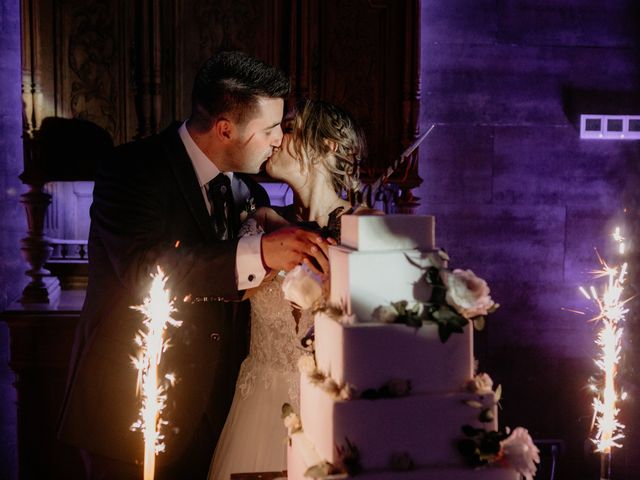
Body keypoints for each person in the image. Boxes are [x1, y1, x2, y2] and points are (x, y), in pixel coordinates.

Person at [57, 52, 332, 480]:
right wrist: (260, 254)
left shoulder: (246, 191)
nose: (279, 140)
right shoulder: (132, 170)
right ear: (226, 129)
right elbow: (145, 270)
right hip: (132, 410)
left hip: (216, 414)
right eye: (270, 129)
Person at [209, 99, 375, 480]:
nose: (278, 137)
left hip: (330, 417)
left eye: (292, 128)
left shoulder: (365, 233)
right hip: (256, 413)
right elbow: (232, 292)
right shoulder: (261, 224)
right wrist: (261, 230)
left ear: (328, 145)